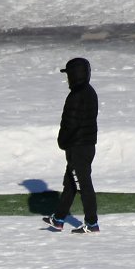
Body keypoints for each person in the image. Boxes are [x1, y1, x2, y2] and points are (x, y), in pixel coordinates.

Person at [43, 57, 100, 234]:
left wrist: (62, 141)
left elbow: (70, 123)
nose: (67, 79)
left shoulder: (75, 96)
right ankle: (58, 218)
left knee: (83, 184)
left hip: (78, 147)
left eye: (69, 75)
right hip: (87, 145)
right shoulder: (90, 91)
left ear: (75, 75)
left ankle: (92, 223)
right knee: (70, 182)